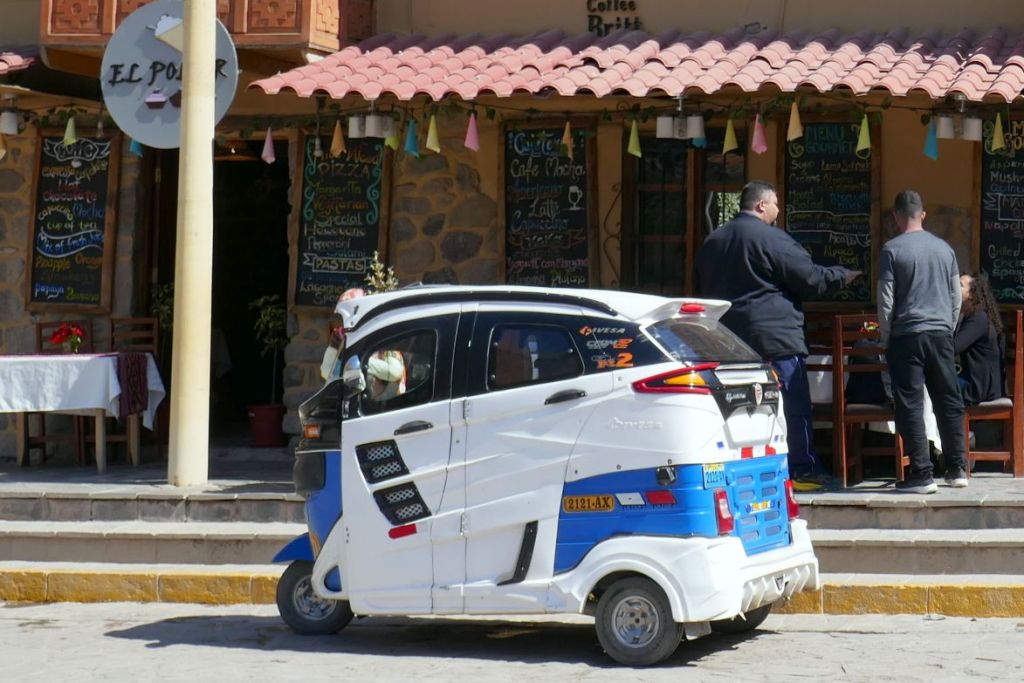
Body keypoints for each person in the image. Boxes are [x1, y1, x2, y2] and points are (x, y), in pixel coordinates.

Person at [694, 180, 862, 489]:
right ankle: (803, 471)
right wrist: (842, 275)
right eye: (774, 204)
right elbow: (810, 279)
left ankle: (740, 472)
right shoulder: (772, 239)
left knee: (736, 410)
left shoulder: (713, 241)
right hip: (774, 339)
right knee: (791, 407)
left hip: (726, 341)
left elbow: (700, 288)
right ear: (761, 205)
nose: (778, 210)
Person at [877, 190, 968, 492]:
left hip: (906, 335)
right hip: (940, 334)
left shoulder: (891, 250)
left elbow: (886, 300)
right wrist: (948, 328)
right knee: (948, 401)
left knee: (910, 405)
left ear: (896, 216)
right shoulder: (945, 250)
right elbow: (956, 297)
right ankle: (957, 469)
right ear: (923, 215)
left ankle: (922, 473)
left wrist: (887, 338)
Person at [955, 272, 1003, 405]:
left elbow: (953, 347)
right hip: (979, 383)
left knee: (931, 383)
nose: (954, 287)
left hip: (979, 388)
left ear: (971, 294)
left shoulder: (978, 318)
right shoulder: (973, 316)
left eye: (960, 285)